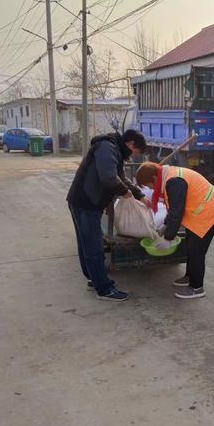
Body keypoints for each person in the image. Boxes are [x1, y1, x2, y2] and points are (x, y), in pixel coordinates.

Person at [67, 129, 151, 302]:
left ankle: (93, 278)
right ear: (131, 144)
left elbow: (121, 177)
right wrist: (124, 192)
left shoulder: (115, 151)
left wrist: (139, 194)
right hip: (86, 202)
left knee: (86, 243)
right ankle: (104, 289)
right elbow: (108, 177)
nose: (134, 156)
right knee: (94, 247)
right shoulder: (107, 147)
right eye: (137, 152)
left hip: (86, 201)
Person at [135, 162, 214, 300]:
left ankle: (196, 287)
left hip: (209, 211)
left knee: (197, 251)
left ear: (154, 178)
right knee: (190, 246)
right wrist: (165, 226)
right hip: (199, 211)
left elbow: (176, 212)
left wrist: (168, 238)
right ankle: (189, 277)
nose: (151, 189)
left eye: (150, 185)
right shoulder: (168, 176)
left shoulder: (173, 181)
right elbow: (174, 208)